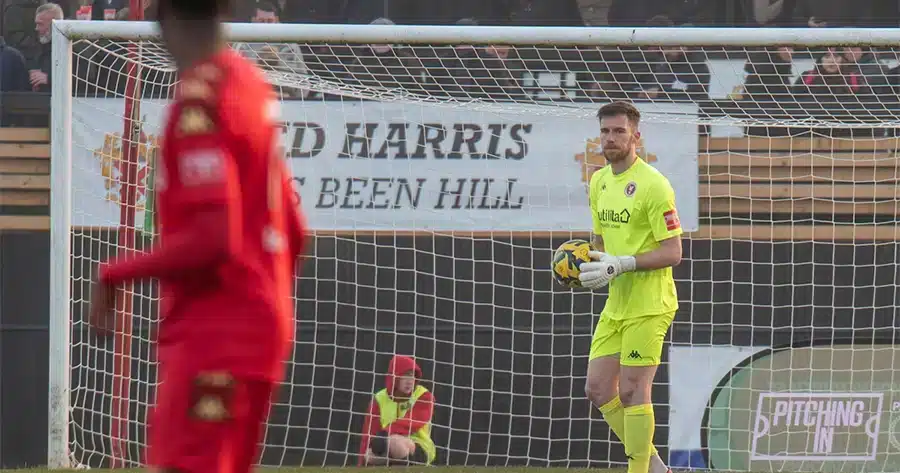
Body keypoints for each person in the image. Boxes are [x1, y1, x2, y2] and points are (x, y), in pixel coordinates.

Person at [88, 1, 308, 473]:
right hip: (258, 328)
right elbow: (295, 229)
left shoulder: (199, 101)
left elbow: (214, 240)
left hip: (216, 334)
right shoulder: (250, 83)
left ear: (165, 20)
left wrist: (114, 273)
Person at [578, 101, 681, 473]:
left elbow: (673, 252)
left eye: (619, 131)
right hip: (617, 303)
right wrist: (588, 266)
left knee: (633, 392)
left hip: (651, 302)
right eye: (605, 131)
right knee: (598, 389)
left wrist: (624, 263)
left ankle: (639, 469)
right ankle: (654, 464)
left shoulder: (654, 185)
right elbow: (601, 243)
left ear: (636, 135)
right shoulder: (599, 181)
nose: (611, 138)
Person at [358, 355, 436, 466]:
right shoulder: (379, 399)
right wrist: (361, 464)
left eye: (412, 376)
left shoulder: (424, 395)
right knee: (369, 456)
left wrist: (385, 433)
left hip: (418, 446)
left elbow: (412, 421)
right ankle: (395, 465)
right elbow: (369, 434)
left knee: (395, 443)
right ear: (394, 376)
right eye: (405, 376)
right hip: (386, 443)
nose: (410, 381)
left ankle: (407, 465)